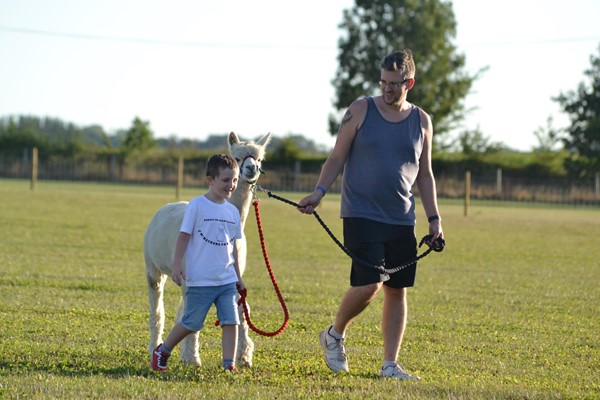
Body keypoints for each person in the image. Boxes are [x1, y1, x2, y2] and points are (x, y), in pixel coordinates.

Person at [297, 49, 444, 380]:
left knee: (396, 289)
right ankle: (334, 334)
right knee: (370, 283)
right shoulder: (360, 109)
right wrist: (319, 192)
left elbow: (425, 174)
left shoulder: (422, 121)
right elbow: (336, 157)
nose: (387, 90)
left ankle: (390, 364)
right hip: (361, 212)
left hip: (402, 218)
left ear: (410, 82)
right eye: (383, 83)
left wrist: (435, 220)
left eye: (395, 84)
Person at [151, 153, 245, 373]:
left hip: (226, 280)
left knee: (231, 322)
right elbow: (183, 237)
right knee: (191, 322)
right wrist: (176, 266)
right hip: (200, 279)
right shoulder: (197, 206)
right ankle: (163, 350)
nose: (231, 185)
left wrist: (238, 277)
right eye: (225, 180)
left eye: (234, 180)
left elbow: (232, 247)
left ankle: (228, 365)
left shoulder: (232, 212)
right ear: (210, 179)